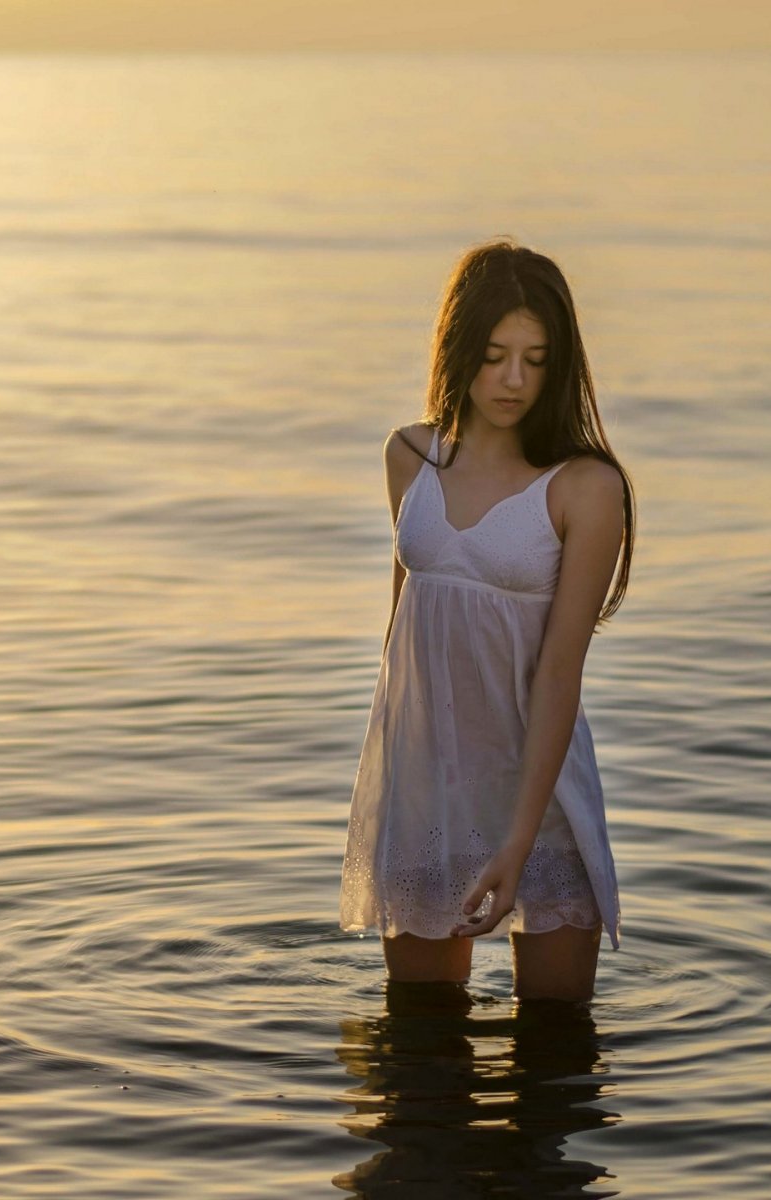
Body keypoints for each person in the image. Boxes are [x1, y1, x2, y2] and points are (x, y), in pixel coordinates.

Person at [339, 236, 636, 1001]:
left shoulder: (583, 488)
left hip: (535, 796)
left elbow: (558, 673)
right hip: (428, 789)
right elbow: (401, 634)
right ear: (457, 347)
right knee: (420, 1053)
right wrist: (390, 794)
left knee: (553, 1062)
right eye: (494, 354)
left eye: (535, 360)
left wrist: (515, 838)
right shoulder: (410, 457)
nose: (512, 380)